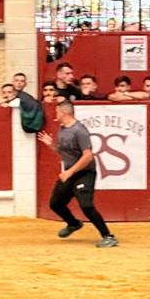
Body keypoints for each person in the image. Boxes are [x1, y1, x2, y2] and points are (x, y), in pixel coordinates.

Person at [36, 101, 118, 248]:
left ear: (64, 113)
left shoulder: (80, 130)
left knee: (86, 205)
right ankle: (73, 224)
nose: (55, 114)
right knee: (55, 204)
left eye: (57, 112)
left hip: (85, 172)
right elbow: (65, 153)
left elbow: (88, 156)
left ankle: (108, 236)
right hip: (70, 172)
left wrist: (70, 171)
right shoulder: (62, 129)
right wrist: (51, 145)